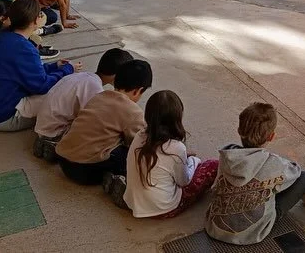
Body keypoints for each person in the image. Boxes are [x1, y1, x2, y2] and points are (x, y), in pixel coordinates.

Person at [206, 103, 305, 243]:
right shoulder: (273, 163)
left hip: (215, 228)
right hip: (254, 233)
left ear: (239, 130)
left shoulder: (227, 155)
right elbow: (295, 172)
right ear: (271, 136)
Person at [0, 0, 77, 132]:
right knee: (65, 92)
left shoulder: (0, 36)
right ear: (35, 21)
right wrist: (67, 70)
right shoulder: (23, 48)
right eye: (40, 14)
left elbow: (24, 70)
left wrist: (54, 66)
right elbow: (41, 86)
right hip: (3, 117)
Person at [56, 59, 152, 206]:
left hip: (63, 161)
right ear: (138, 90)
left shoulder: (99, 96)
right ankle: (116, 180)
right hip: (86, 170)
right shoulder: (133, 111)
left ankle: (53, 145)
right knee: (132, 152)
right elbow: (139, 143)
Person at [125, 90, 220, 218]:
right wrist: (193, 161)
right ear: (176, 119)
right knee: (213, 165)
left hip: (133, 203)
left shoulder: (139, 136)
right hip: (163, 209)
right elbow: (184, 181)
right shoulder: (176, 148)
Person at [32, 48, 134, 161]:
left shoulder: (83, 77)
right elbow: (92, 123)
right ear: (117, 75)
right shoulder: (95, 89)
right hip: (54, 131)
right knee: (106, 136)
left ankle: (48, 142)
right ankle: (53, 145)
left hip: (43, 126)